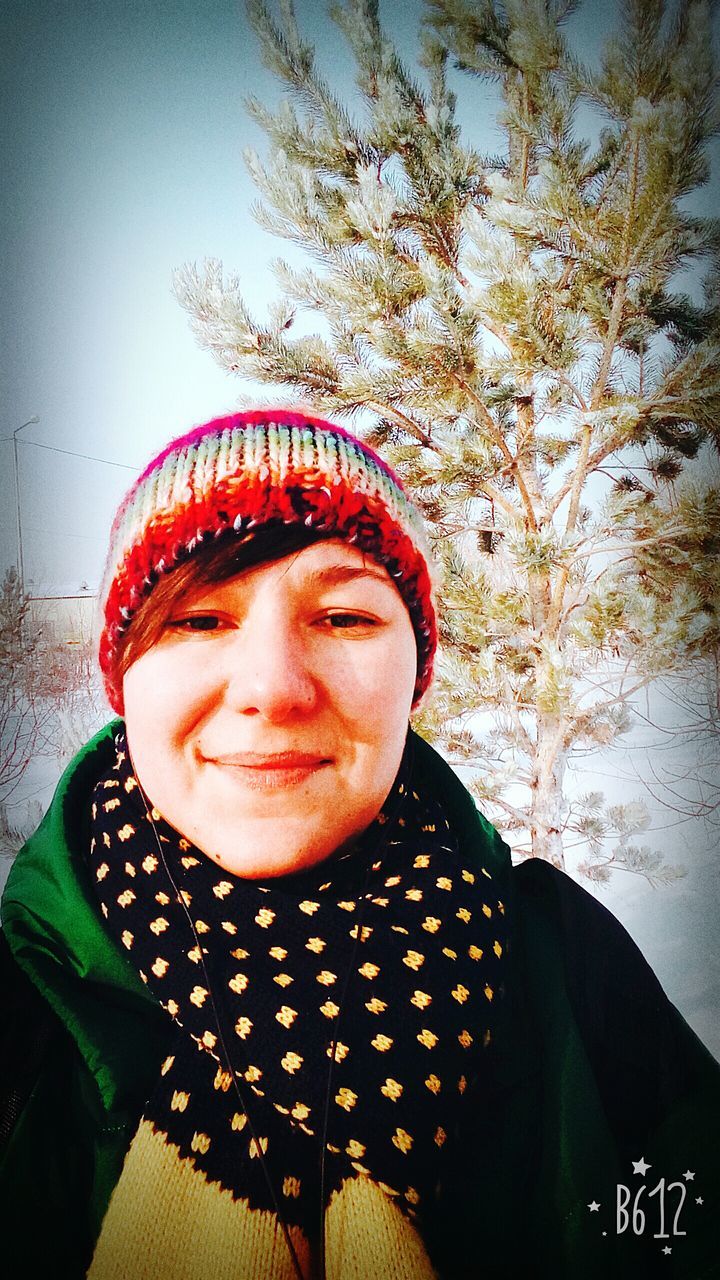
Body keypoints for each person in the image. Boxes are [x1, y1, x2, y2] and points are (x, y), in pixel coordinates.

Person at [1, 408, 718, 1280]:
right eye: (197, 620)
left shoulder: (566, 965)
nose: (272, 686)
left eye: (342, 617)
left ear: (414, 674)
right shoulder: (22, 1007)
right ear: (123, 678)